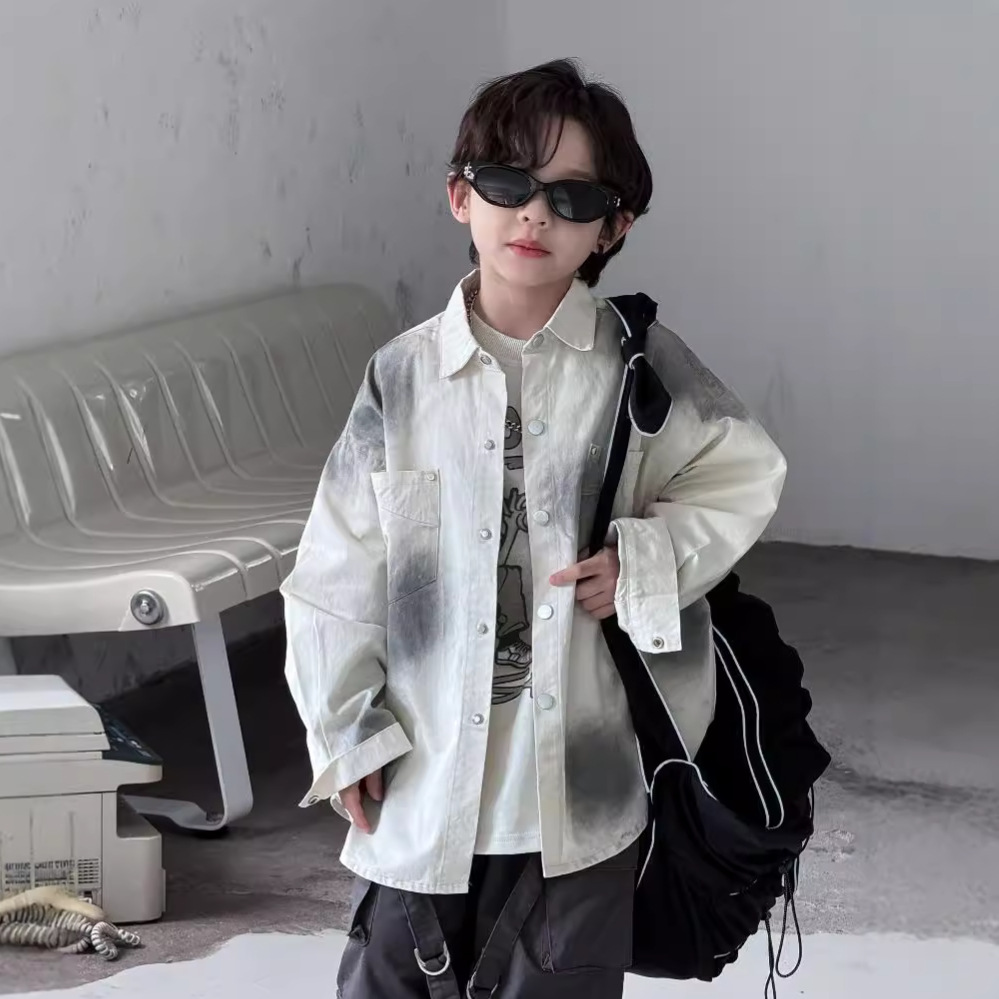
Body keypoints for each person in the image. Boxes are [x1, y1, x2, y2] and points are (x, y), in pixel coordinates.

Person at [282, 58, 787, 998]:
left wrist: (644, 559)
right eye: (507, 183)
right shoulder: (402, 378)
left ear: (613, 226)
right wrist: (344, 729)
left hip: (578, 793)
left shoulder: (638, 365)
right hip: (422, 781)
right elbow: (337, 569)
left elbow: (742, 471)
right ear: (459, 196)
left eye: (572, 195)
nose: (534, 214)